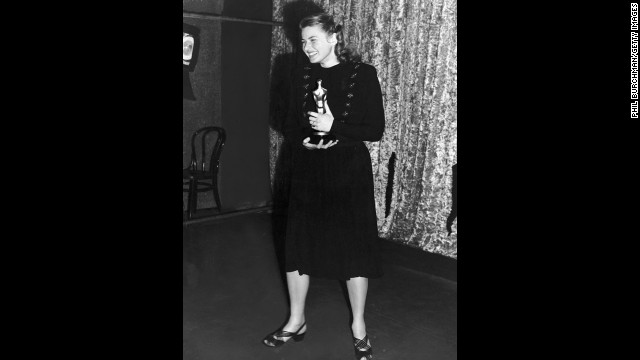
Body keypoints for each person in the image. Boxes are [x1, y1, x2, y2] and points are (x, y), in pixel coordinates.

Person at [263, 13, 385, 360]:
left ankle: (359, 327)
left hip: (347, 170)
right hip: (307, 167)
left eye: (313, 39)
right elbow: (286, 120)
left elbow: (375, 129)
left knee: (353, 249)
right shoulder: (297, 72)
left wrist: (336, 126)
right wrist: (303, 140)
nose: (307, 47)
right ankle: (296, 320)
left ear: (335, 37)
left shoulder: (363, 74)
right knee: (298, 244)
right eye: (302, 41)